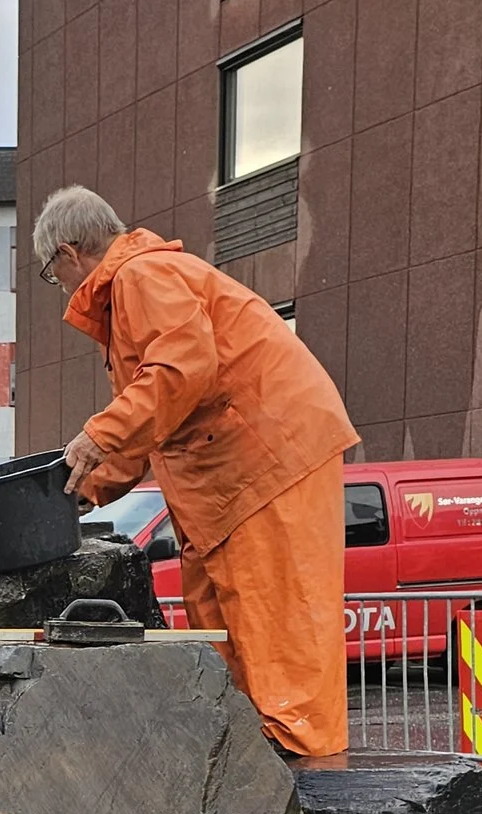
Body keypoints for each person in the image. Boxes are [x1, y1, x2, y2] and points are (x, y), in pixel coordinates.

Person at [35, 186, 358, 759]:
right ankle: (260, 762)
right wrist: (79, 491)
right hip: (233, 475)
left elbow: (182, 368)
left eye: (49, 272)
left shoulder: (139, 277)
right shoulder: (137, 292)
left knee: (279, 630)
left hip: (265, 461)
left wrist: (97, 435)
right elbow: (152, 420)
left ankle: (309, 776)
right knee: (227, 623)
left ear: (67, 253)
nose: (57, 285)